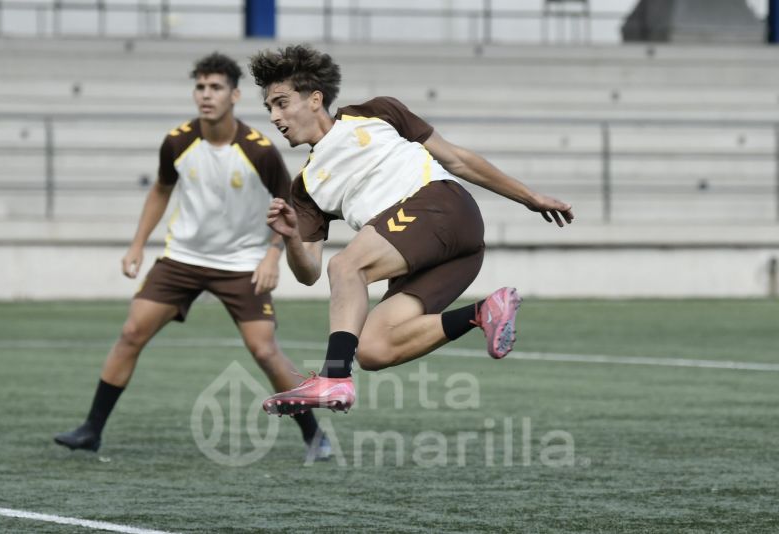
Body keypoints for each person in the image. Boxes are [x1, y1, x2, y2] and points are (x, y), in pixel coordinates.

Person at [247, 45, 574, 416]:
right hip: (446, 255)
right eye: (269, 108)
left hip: (442, 207)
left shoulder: (377, 112)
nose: (274, 116)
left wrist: (528, 196)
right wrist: (290, 237)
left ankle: (333, 378)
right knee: (373, 348)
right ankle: (485, 311)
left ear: (314, 99)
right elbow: (307, 273)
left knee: (346, 266)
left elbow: (456, 159)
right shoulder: (304, 188)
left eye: (281, 102)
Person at [54, 52, 330, 461]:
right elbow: (161, 190)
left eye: (215, 87)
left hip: (240, 264)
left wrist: (273, 256)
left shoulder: (260, 151)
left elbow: (287, 209)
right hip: (181, 259)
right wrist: (137, 244)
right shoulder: (177, 141)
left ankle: (314, 435)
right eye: (200, 86)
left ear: (234, 94)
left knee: (264, 350)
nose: (206, 94)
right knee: (131, 333)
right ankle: (91, 430)